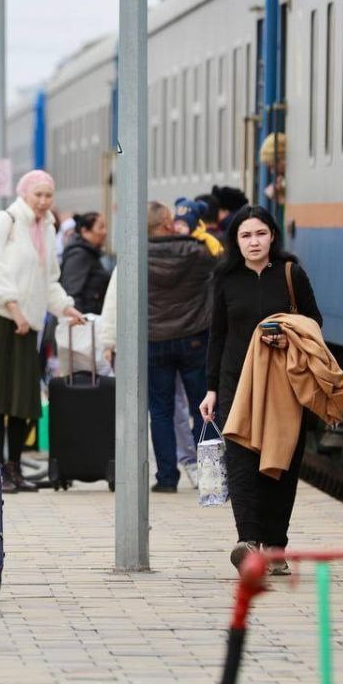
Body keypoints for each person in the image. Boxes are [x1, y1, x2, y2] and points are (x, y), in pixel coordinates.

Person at [199, 206, 322, 575]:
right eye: (246, 236)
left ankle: (276, 546)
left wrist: (288, 336)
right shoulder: (225, 279)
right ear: (236, 241)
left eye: (261, 234)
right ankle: (248, 542)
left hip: (283, 384)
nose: (254, 242)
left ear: (272, 236)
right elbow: (217, 335)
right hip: (236, 382)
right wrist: (210, 389)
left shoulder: (290, 274)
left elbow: (315, 321)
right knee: (241, 463)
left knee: (280, 466)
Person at [0, 170, 85, 493]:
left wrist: (65, 307)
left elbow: (49, 279)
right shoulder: (5, 221)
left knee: (21, 399)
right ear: (24, 194)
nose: (43, 201)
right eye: (38, 195)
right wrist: (14, 308)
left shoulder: (47, 228)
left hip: (28, 323)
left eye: (48, 195)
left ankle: (14, 468)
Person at [145, 201, 215, 492]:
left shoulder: (139, 256)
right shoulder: (197, 253)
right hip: (194, 338)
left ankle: (166, 479)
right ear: (167, 223)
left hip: (155, 340)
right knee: (205, 408)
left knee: (160, 411)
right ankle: (211, 479)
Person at [59, 212, 111, 315]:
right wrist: (79, 320)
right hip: (81, 321)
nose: (105, 232)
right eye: (101, 227)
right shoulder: (79, 255)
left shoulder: (91, 254)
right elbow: (72, 292)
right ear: (85, 231)